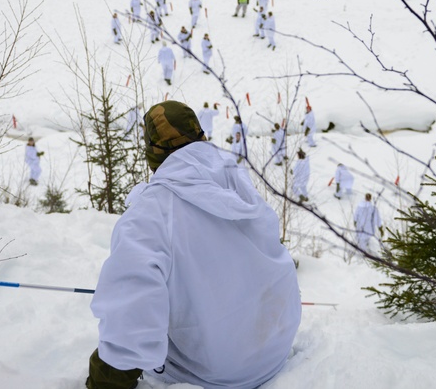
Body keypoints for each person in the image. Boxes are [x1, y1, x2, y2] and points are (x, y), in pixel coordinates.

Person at [87, 101, 301, 389]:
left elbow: (130, 317)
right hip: (275, 349)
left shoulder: (150, 215)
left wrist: (106, 380)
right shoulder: (234, 178)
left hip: (215, 373)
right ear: (200, 135)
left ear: (151, 150)